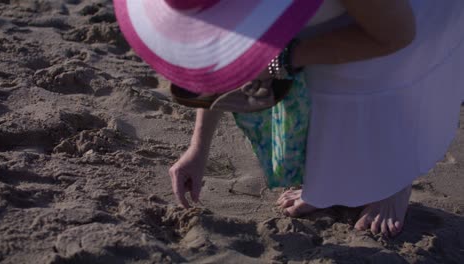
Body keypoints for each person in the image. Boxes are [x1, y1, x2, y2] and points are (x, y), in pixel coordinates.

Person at [114, 0, 464, 237]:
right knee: (320, 83)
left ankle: (394, 183)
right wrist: (197, 148)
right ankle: (333, 181)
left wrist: (284, 58)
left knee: (370, 80)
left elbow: (397, 34)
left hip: (408, 18)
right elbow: (219, 61)